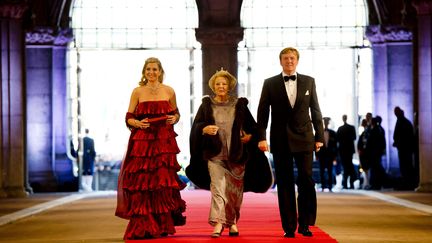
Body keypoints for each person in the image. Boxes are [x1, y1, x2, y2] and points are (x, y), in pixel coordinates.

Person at [186, 69, 273, 238]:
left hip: (237, 154)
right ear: (213, 86)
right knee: (218, 189)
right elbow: (196, 126)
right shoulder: (206, 105)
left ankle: (232, 222)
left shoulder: (239, 105)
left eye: (224, 84)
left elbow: (253, 128)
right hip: (214, 154)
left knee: (234, 192)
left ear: (229, 86)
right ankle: (218, 223)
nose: (221, 86)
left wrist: (250, 137)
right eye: (218, 84)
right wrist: (203, 128)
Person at [115, 57, 186, 240]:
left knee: (162, 182)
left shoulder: (169, 90)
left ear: (160, 71)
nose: (152, 72)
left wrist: (175, 119)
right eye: (148, 70)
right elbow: (129, 117)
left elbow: (176, 113)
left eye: (155, 69)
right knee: (143, 183)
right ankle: (143, 226)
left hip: (163, 141)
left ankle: (161, 225)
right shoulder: (137, 91)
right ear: (144, 72)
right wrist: (137, 123)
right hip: (143, 142)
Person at [256, 47, 324, 238]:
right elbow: (262, 112)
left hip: (304, 138)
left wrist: (319, 136)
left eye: (292, 58)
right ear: (280, 61)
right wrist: (261, 137)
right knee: (285, 184)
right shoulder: (269, 83)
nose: (289, 61)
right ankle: (289, 227)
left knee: (307, 182)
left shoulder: (309, 81)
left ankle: (305, 224)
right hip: (280, 139)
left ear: (297, 60)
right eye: (286, 58)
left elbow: (316, 110)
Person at [393, 106, 416, 189]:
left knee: (406, 166)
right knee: (405, 166)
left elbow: (404, 136)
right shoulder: (402, 121)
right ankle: (407, 182)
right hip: (403, 147)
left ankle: (408, 183)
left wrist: (398, 142)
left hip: (405, 148)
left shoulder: (403, 122)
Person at [316, 117, 337, 192]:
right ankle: (323, 185)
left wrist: (335, 156)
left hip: (330, 155)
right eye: (324, 121)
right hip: (322, 155)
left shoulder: (333, 133)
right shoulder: (319, 132)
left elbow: (335, 146)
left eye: (327, 122)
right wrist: (317, 154)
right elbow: (317, 144)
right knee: (321, 171)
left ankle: (330, 186)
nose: (325, 123)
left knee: (330, 170)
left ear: (328, 123)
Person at [336, 114, 357, 189]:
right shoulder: (351, 128)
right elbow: (354, 137)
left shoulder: (340, 129)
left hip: (343, 151)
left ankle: (345, 183)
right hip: (349, 150)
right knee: (349, 166)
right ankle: (350, 183)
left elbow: (337, 140)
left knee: (345, 167)